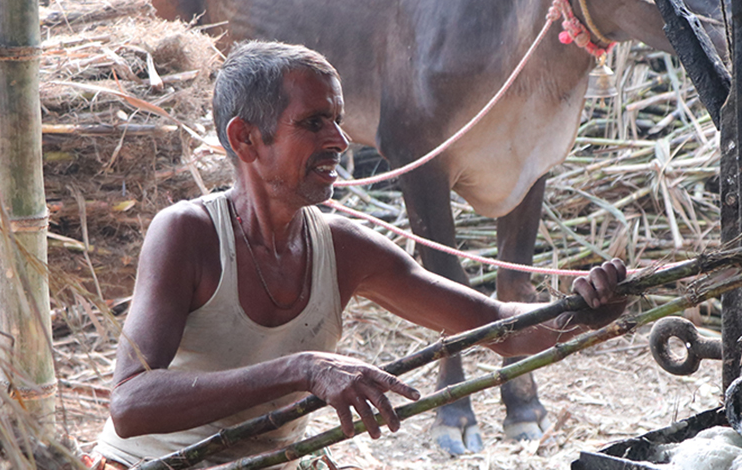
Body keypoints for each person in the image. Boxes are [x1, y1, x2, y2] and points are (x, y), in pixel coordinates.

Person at [88, 41, 629, 469]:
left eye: (338, 120)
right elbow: (132, 404)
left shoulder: (342, 248)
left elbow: (501, 329)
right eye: (314, 123)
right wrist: (302, 369)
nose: (342, 141)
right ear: (246, 140)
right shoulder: (188, 234)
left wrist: (580, 312)